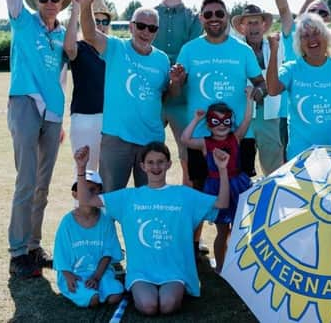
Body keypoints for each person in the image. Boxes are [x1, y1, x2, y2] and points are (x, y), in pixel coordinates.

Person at [74, 142, 231, 315]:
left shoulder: (184, 194)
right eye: (150, 162)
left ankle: (177, 288)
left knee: (167, 305)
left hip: (174, 270)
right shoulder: (129, 196)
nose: (155, 167)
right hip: (142, 271)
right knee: (148, 306)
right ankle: (141, 287)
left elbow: (222, 203)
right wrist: (81, 168)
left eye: (160, 161)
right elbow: (86, 200)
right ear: (142, 166)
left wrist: (222, 169)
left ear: (169, 164)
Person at [0, 0, 69, 278]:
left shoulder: (62, 33)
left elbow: (62, 77)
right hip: (25, 104)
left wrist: (60, 119)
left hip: (53, 115)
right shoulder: (23, 21)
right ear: (37, 1)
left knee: (43, 182)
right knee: (26, 180)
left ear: (61, 2)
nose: (50, 2)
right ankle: (16, 252)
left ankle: (33, 246)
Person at [174, 0, 265, 255]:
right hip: (202, 136)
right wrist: (177, 81)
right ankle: (192, 248)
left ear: (226, 17)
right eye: (208, 14)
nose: (214, 18)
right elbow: (177, 90)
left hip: (238, 137)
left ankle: (238, 252)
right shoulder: (190, 50)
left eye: (219, 14)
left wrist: (257, 92)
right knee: (199, 194)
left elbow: (261, 83)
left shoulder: (242, 50)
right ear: (201, 18)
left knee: (240, 193)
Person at [76, 0, 173, 192]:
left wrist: (179, 82)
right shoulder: (115, 47)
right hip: (116, 140)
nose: (145, 32)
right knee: (110, 199)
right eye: (141, 26)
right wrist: (86, 6)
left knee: (149, 201)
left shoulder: (162, 60)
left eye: (152, 28)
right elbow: (90, 34)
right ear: (131, 26)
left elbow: (166, 95)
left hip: (151, 143)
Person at [154, 0, 224, 188]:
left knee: (189, 162)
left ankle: (187, 217)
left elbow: (218, 22)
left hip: (183, 101)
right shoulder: (148, 17)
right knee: (144, 158)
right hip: (152, 99)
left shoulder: (194, 19)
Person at [181, 88, 254, 273]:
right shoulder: (205, 143)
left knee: (241, 228)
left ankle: (240, 264)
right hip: (216, 188)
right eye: (216, 121)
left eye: (226, 121)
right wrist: (196, 119)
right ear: (209, 124)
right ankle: (221, 266)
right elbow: (185, 139)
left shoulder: (236, 137)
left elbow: (247, 120)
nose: (221, 125)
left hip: (238, 184)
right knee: (222, 231)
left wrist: (248, 99)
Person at [266, 13, 331, 159]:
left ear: (326, 37)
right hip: (301, 154)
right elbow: (272, 90)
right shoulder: (291, 68)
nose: (311, 39)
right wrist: (274, 51)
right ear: (299, 43)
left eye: (316, 33)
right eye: (305, 36)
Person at [53, 170, 124, 308]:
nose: (88, 194)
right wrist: (68, 275)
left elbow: (107, 253)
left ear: (100, 193)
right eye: (83, 190)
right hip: (75, 274)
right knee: (93, 298)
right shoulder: (67, 222)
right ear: (75, 194)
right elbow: (60, 254)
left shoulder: (106, 220)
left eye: (93, 190)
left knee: (115, 296)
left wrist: (96, 277)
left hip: (100, 273)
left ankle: (99, 286)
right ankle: (79, 291)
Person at [231, 4, 285, 175]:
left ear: (264, 25)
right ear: (241, 27)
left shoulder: (276, 45)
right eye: (249, 23)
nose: (253, 27)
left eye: (256, 23)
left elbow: (278, 75)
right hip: (242, 115)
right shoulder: (236, 48)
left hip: (270, 114)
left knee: (274, 168)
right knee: (242, 169)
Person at [64, 0, 111, 172]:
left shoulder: (113, 49)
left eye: (104, 21)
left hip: (111, 119)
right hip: (84, 118)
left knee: (109, 175)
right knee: (85, 173)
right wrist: (77, 9)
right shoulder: (80, 47)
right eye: (96, 20)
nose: (100, 25)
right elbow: (68, 48)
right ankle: (81, 201)